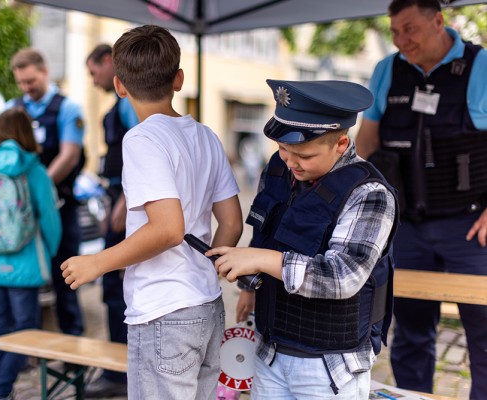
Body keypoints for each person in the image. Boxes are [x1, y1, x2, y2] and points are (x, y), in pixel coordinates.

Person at [62, 25, 243, 400]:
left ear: (119, 85)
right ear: (178, 79)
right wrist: (203, 273)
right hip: (205, 305)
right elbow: (231, 222)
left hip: (163, 309)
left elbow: (167, 229)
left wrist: (98, 263)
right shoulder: (206, 136)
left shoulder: (142, 138)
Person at [208, 80, 398, 399]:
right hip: (270, 350)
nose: (290, 161)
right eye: (283, 149)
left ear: (340, 144)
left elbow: (343, 277)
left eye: (303, 154)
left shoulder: (369, 195)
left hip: (328, 366)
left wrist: (260, 260)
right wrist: (250, 289)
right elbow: (265, 232)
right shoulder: (280, 169)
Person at [355, 1, 487, 397]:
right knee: (409, 333)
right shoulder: (387, 71)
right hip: (406, 227)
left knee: (484, 335)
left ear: (438, 20)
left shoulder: (480, 67)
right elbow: (367, 143)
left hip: (470, 227)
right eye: (394, 31)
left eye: (409, 29)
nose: (401, 40)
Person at [0, 107, 62, 400]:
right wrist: (49, 250)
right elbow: (49, 217)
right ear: (27, 132)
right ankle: (0, 393)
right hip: (24, 261)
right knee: (25, 328)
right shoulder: (33, 169)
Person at [8, 48, 86, 336]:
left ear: (44, 72)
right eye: (22, 83)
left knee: (66, 279)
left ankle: (72, 352)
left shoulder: (67, 109)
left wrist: (39, 189)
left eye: (31, 81)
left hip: (60, 207)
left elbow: (69, 156)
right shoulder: (12, 108)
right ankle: (26, 347)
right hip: (22, 213)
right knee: (24, 281)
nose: (27, 88)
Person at [83, 43, 139, 398]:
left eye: (94, 72)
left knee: (117, 289)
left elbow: (139, 153)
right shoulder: (116, 106)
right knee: (111, 290)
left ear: (109, 63)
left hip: (126, 205)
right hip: (115, 201)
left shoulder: (129, 106)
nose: (93, 80)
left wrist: (125, 201)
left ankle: (121, 372)